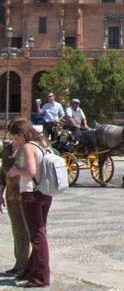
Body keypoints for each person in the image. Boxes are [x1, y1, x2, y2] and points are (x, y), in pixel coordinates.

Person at [6, 119, 53, 287]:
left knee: (37, 236)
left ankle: (41, 276)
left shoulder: (28, 147)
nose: (15, 141)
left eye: (15, 137)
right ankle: (31, 270)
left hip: (31, 194)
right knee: (40, 233)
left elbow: (30, 171)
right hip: (45, 192)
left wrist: (15, 171)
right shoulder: (43, 144)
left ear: (22, 134)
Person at [0, 139, 30, 277]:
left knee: (29, 230)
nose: (14, 137)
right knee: (17, 230)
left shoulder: (29, 147)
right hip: (12, 195)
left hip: (27, 194)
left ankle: (30, 265)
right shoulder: (8, 148)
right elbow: (2, 173)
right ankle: (20, 264)